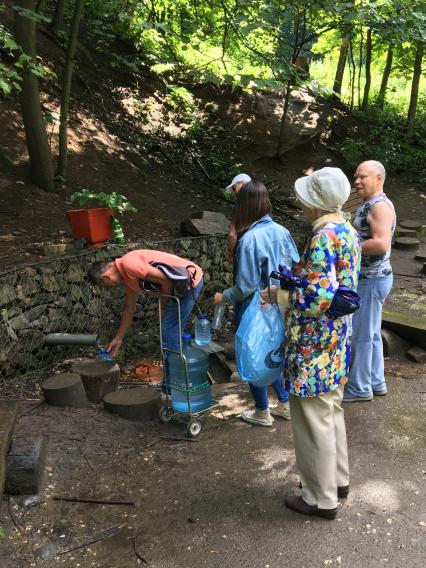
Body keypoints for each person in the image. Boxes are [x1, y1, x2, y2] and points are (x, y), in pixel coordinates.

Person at [263, 167, 361, 519]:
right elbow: (336, 288)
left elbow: (317, 298)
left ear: (315, 203)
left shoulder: (322, 237)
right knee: (330, 410)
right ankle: (337, 480)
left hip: (313, 344)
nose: (301, 202)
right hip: (336, 338)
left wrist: (279, 294)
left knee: (311, 417)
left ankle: (320, 499)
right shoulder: (347, 230)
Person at [214, 180, 299, 427]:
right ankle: (284, 404)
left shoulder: (250, 238)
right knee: (274, 354)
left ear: (243, 206)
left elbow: (245, 287)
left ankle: (262, 411)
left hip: (256, 306)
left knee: (253, 355)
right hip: (281, 303)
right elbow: (294, 266)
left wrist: (223, 297)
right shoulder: (283, 231)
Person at [87, 250, 203, 357]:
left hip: (188, 282)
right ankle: (176, 370)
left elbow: (165, 280)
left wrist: (162, 307)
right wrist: (118, 339)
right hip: (178, 286)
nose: (109, 288)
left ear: (106, 277)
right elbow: (129, 308)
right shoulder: (126, 276)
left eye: (106, 286)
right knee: (170, 332)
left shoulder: (129, 264)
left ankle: (176, 375)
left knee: (169, 333)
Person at [344, 160, 396, 402]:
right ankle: (376, 382)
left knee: (362, 336)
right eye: (355, 176)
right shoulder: (369, 204)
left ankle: (359, 388)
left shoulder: (380, 207)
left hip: (372, 280)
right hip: (371, 280)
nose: (357, 181)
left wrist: (346, 248)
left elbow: (381, 243)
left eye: (363, 177)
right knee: (372, 334)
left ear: (378, 178)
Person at [225, 173, 252, 262]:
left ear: (241, 183)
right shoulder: (259, 205)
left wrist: (232, 253)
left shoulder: (240, 206)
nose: (234, 192)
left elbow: (232, 234)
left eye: (234, 188)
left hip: (243, 251)